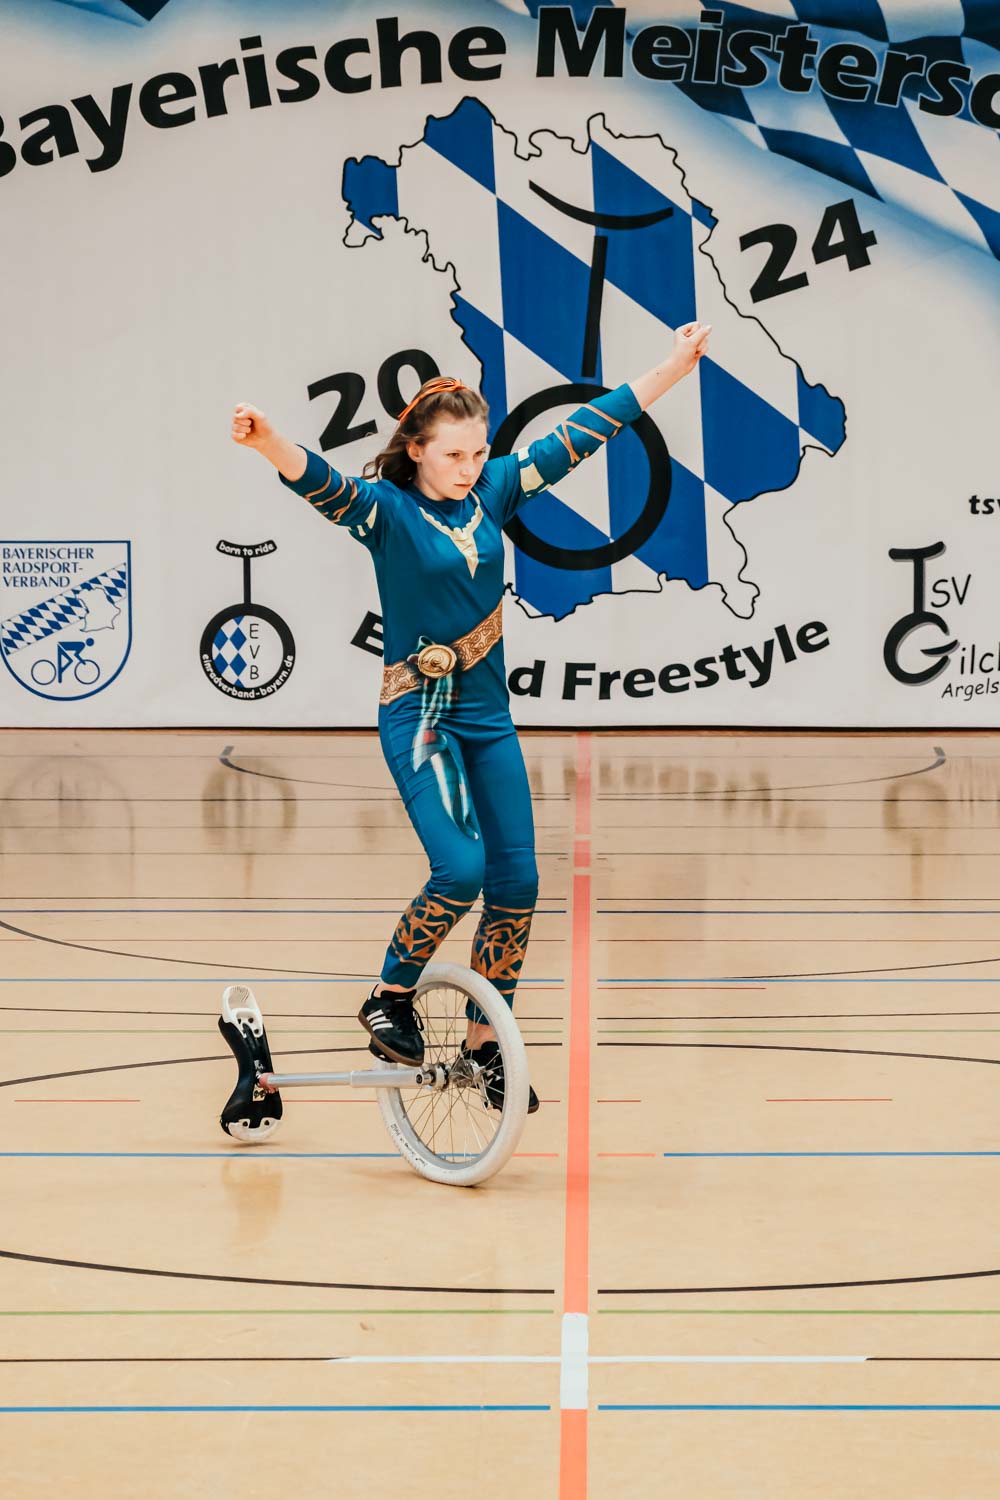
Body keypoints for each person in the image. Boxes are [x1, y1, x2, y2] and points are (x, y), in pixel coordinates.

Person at [231, 320, 711, 1112]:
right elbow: (321, 483)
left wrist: (671, 367)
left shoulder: (495, 490)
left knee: (518, 880)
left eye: (479, 453)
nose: (469, 468)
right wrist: (268, 441)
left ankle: (486, 1045)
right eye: (454, 455)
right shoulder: (385, 511)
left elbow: (585, 431)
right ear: (416, 449)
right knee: (461, 869)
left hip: (488, 718)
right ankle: (389, 994)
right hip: (419, 715)